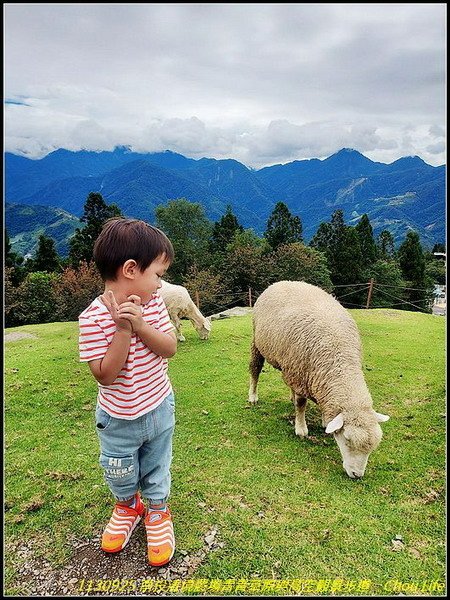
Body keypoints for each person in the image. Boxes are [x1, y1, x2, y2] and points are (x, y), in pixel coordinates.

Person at [78, 217, 177, 567]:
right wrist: (122, 328)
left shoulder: (153, 306)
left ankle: (157, 511)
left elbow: (169, 348)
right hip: (117, 418)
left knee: (156, 464)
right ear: (131, 269)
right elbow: (105, 376)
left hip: (158, 407)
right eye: (158, 275)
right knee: (119, 470)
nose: (161, 285)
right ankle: (127, 506)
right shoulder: (92, 319)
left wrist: (140, 324)